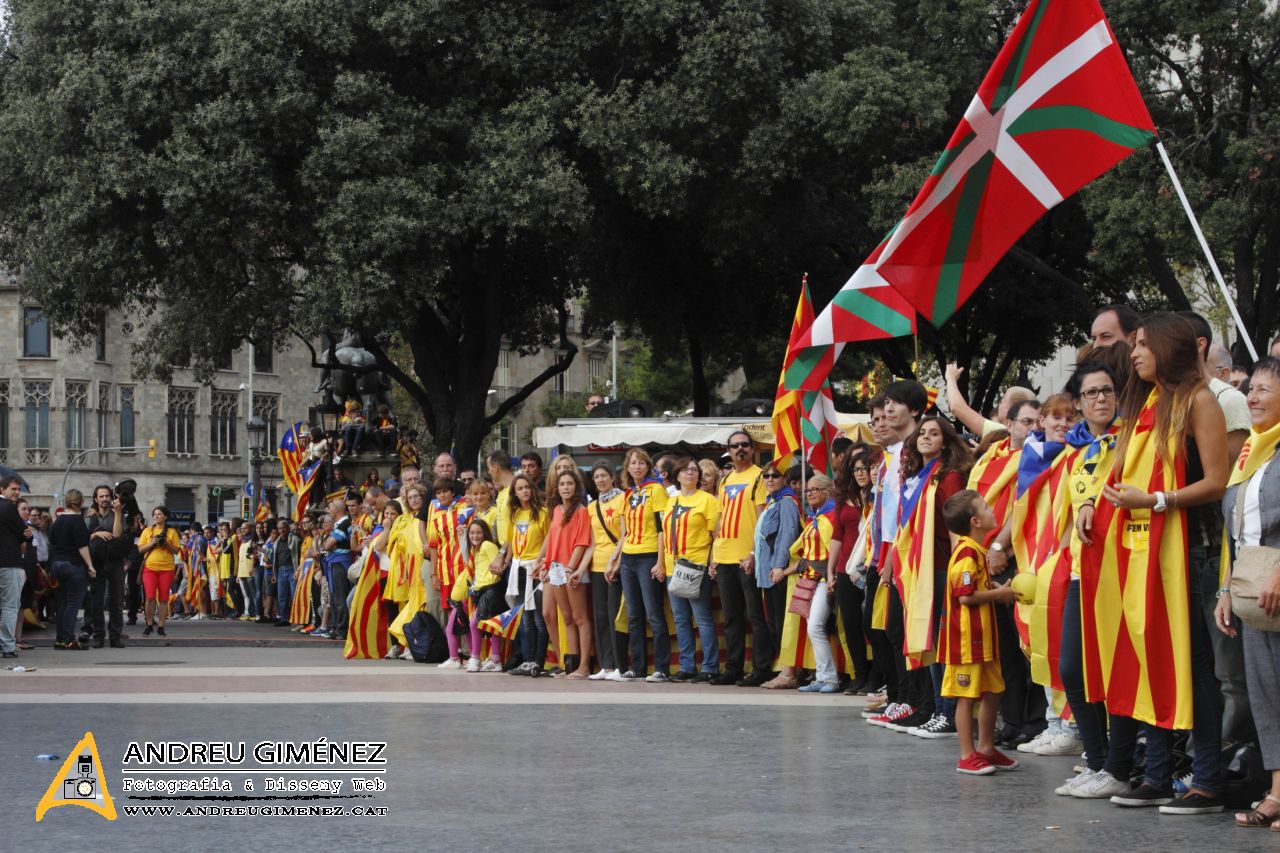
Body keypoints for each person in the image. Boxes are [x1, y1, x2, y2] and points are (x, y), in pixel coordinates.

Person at [1076, 312, 1228, 814]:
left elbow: (1216, 482)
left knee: (1196, 667)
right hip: (1141, 553)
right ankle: (1158, 774)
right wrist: (1090, 506)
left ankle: (1205, 778)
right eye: (1135, 343)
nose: (1135, 352)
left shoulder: (1199, 399)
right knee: (1148, 658)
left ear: (1170, 346)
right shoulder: (1145, 404)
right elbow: (1118, 477)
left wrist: (1156, 501)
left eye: (1143, 344)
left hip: (1189, 552)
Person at [1215, 357, 1280, 828]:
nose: (1252, 397)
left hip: (1277, 579)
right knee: (1264, 690)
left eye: (1264, 389)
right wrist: (1227, 587)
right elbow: (1237, 528)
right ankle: (1278, 791)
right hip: (1254, 586)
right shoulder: (1252, 451)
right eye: (1250, 388)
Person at [887, 415, 973, 736]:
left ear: (945, 441)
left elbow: (954, 528)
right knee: (929, 642)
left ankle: (946, 712)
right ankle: (937, 709)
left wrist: (957, 567)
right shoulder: (922, 476)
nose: (925, 437)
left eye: (934, 433)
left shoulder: (947, 478)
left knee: (938, 643)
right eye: (922, 433)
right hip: (921, 572)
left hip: (940, 569)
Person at [941, 489, 1021, 774]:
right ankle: (966, 755)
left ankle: (986, 748)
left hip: (984, 640)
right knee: (967, 696)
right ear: (975, 521)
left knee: (992, 692)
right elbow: (965, 596)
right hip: (966, 642)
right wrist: (1000, 595)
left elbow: (977, 588)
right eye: (986, 507)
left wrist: (1000, 588)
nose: (992, 510)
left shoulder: (977, 551)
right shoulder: (966, 554)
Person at [709, 429, 769, 686]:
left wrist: (754, 553)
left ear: (752, 449)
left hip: (747, 557)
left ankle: (761, 668)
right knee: (731, 616)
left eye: (744, 445)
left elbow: (762, 520)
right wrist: (714, 554)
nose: (740, 449)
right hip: (724, 556)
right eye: (735, 446)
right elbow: (721, 519)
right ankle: (733, 668)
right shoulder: (725, 480)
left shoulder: (759, 477)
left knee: (755, 616)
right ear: (729, 450)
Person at [770, 472, 839, 692]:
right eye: (807, 490)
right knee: (814, 628)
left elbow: (830, 553)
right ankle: (822, 676)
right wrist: (786, 570)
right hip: (810, 580)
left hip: (823, 580)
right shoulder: (814, 518)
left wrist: (830, 577)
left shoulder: (829, 519)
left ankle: (829, 678)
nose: (808, 493)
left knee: (816, 627)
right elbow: (805, 554)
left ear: (827, 492)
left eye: (814, 489)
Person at [607, 448, 670, 682]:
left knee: (654, 614)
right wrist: (616, 560)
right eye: (633, 463)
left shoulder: (656, 490)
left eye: (642, 463)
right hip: (629, 558)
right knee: (634, 615)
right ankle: (638, 666)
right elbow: (624, 533)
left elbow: (663, 528)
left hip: (649, 556)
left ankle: (662, 667)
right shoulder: (627, 494)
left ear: (648, 466)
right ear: (627, 468)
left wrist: (661, 562)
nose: (637, 467)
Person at [658, 456, 721, 683]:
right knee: (681, 619)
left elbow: (717, 536)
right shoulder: (670, 501)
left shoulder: (708, 501)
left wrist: (713, 562)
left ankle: (710, 665)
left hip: (696, 565)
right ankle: (687, 665)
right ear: (677, 475)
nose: (690, 473)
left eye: (694, 470)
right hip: (671, 566)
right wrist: (659, 562)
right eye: (685, 470)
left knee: (702, 617)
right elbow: (663, 534)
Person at [827, 443, 882, 695]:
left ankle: (877, 676)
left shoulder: (877, 496)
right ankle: (859, 675)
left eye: (865, 468)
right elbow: (836, 536)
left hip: (871, 566)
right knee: (850, 624)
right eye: (855, 469)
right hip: (845, 567)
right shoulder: (844, 497)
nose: (860, 473)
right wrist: (830, 572)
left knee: (872, 624)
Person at [753, 460, 803, 687]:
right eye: (766, 476)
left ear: (784, 478)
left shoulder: (786, 502)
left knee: (782, 624)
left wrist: (779, 566)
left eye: (775, 475)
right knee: (773, 622)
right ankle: (785, 670)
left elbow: (787, 535)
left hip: (778, 571)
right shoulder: (772, 502)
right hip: (766, 570)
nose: (770, 479)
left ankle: (789, 672)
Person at [542, 468, 593, 678]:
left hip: (571, 569)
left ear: (576, 487)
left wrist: (571, 568)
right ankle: (570, 666)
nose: (565, 487)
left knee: (581, 618)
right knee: (567, 617)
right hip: (555, 568)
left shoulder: (581, 510)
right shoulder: (556, 510)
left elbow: (582, 542)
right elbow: (552, 541)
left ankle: (584, 666)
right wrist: (545, 565)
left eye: (569, 484)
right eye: (562, 484)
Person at [582, 462, 627, 680]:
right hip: (596, 565)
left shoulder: (623, 499)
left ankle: (620, 664)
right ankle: (606, 664)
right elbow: (591, 541)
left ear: (612, 477)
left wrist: (614, 559)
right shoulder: (592, 507)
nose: (600, 480)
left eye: (603, 476)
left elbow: (625, 534)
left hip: (616, 563)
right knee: (599, 616)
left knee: (613, 616)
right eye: (596, 477)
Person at [503, 473, 551, 677]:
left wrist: (541, 562)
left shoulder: (541, 513)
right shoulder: (514, 515)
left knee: (539, 618)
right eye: (519, 488)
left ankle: (538, 662)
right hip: (519, 570)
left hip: (537, 569)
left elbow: (549, 539)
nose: (524, 491)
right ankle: (527, 659)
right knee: (525, 617)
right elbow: (511, 543)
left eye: (526, 487)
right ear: (514, 493)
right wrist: (505, 561)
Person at [47, 490, 98, 650]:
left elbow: (53, 543)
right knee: (73, 603)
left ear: (66, 502)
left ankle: (60, 639)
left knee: (63, 603)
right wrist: (90, 566)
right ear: (81, 502)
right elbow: (82, 547)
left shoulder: (58, 521)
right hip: (73, 564)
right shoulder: (78, 521)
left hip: (58, 564)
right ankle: (69, 639)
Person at [86, 485, 128, 647]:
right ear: (96, 499)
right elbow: (84, 539)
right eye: (101, 496)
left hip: (115, 562)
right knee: (96, 601)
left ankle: (115, 636)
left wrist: (117, 513)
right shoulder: (90, 518)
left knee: (116, 601)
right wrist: (96, 534)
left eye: (107, 496)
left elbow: (117, 534)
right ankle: (98, 636)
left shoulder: (117, 515)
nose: (104, 499)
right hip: (97, 562)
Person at [138, 506, 181, 636]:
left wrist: (167, 544)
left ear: (165, 517)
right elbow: (140, 550)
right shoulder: (147, 531)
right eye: (155, 514)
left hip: (167, 569)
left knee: (163, 598)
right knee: (150, 597)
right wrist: (151, 544)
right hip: (150, 568)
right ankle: (149, 624)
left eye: (159, 514)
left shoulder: (172, 532)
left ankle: (161, 626)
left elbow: (177, 551)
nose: (156, 516)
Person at [0, 475, 24, 659]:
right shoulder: (8, 507)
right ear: (2, 489)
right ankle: (8, 645)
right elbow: (23, 532)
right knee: (10, 606)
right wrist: (28, 534)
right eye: (13, 489)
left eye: (18, 489)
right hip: (9, 562)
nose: (17, 492)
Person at [237, 527, 259, 621]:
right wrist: (238, 574)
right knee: (245, 594)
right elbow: (240, 559)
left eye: (244, 529)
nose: (242, 531)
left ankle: (255, 612)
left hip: (250, 571)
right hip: (242, 572)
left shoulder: (252, 542)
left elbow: (255, 555)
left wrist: (253, 568)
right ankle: (247, 612)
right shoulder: (242, 543)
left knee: (253, 593)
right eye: (241, 530)